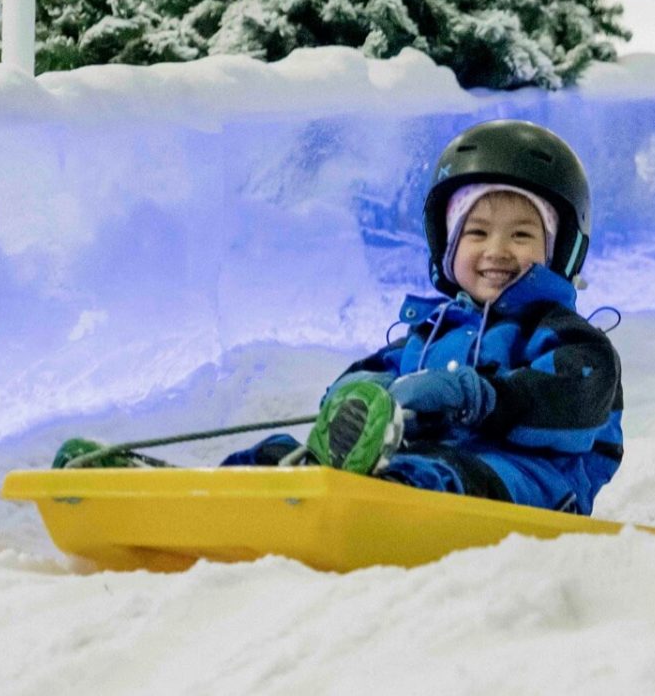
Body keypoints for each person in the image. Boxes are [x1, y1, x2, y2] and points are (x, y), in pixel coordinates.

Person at [222, 119, 624, 515]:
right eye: (477, 233)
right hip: (426, 460)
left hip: (527, 481)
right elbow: (358, 379)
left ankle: (376, 507)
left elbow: (573, 402)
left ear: (560, 251)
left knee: (434, 474)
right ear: (446, 246)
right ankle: (229, 490)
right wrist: (373, 396)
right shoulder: (431, 331)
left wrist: (474, 396)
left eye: (521, 236)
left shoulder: (571, 340)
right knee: (285, 449)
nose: (497, 250)